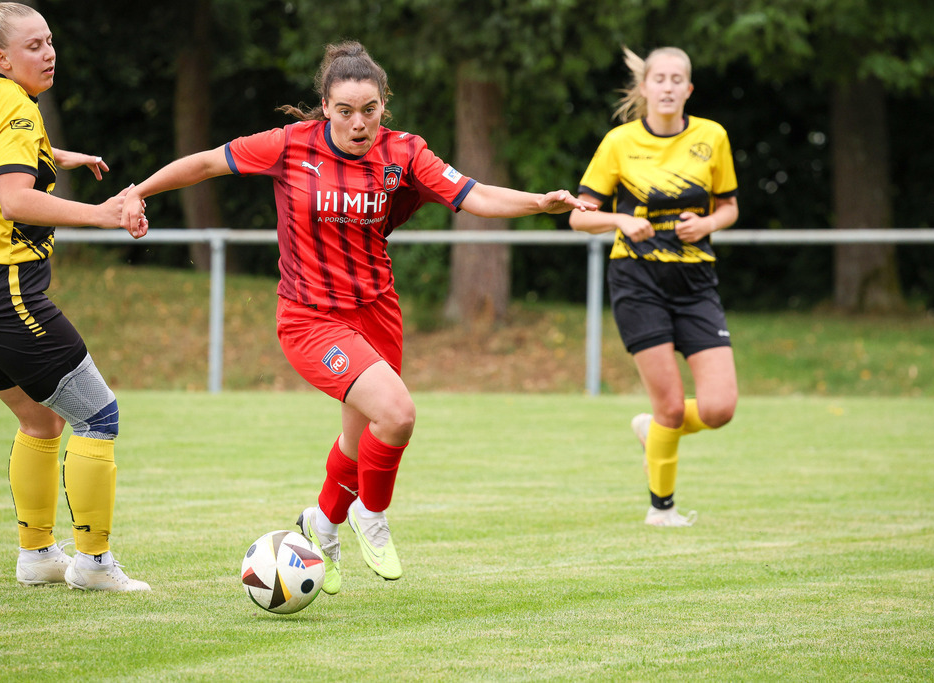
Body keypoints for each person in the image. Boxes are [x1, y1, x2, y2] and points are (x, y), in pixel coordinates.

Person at [121, 41, 594, 593]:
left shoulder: (404, 152)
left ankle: (320, 521)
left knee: (359, 438)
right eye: (345, 110)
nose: (358, 121)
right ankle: (371, 510)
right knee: (396, 415)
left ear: (383, 106)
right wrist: (140, 190)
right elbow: (205, 162)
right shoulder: (290, 146)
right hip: (310, 318)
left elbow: (473, 194)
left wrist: (540, 203)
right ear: (325, 106)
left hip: (377, 311)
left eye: (369, 109)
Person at [0, 0, 150, 590]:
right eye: (35, 46)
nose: (50, 52)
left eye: (51, 41)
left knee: (40, 421)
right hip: (3, 290)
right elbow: (16, 201)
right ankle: (95, 564)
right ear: (2, 57)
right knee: (97, 414)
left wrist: (59, 157)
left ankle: (37, 556)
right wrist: (104, 215)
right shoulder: (18, 108)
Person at [569, 46, 739, 527]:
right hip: (637, 280)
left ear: (689, 89)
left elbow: (728, 207)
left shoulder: (713, 136)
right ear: (644, 88)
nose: (667, 86)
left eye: (676, 79)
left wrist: (705, 225)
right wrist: (622, 219)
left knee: (720, 407)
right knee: (669, 405)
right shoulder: (619, 142)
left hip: (695, 280)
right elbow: (580, 220)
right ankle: (661, 510)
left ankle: (653, 430)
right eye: (658, 78)